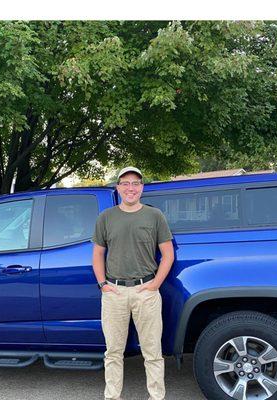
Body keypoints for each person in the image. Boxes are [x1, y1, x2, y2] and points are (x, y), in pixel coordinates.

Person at [92, 166, 174, 400]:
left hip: (145, 291)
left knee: (152, 352)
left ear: (142, 188)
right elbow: (98, 254)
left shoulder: (154, 216)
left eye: (135, 183)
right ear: (118, 188)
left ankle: (156, 396)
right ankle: (112, 396)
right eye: (125, 183)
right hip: (114, 292)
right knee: (113, 352)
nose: (130, 188)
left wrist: (155, 284)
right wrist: (103, 285)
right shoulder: (106, 218)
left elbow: (168, 254)